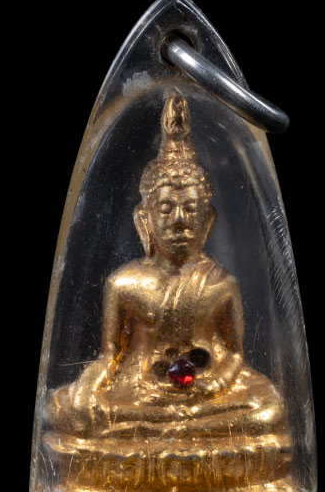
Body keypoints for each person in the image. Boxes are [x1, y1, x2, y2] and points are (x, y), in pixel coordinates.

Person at [45, 96, 288, 454]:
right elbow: (110, 356)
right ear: (144, 219)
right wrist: (87, 388)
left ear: (207, 220)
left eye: (190, 208)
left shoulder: (221, 285)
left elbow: (235, 356)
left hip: (208, 390)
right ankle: (170, 437)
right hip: (139, 389)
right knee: (71, 410)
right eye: (166, 208)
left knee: (269, 409)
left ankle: (151, 440)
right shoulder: (124, 283)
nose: (178, 220)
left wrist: (212, 384)